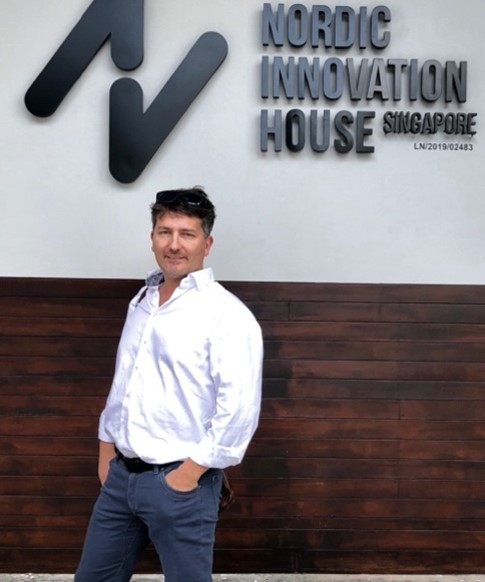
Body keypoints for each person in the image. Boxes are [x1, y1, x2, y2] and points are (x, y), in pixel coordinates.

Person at [75, 187, 263, 582]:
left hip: (180, 485)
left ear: (206, 244)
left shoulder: (226, 314)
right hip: (121, 480)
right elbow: (124, 381)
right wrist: (106, 449)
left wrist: (187, 476)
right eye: (165, 232)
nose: (174, 244)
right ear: (152, 238)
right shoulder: (143, 301)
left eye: (187, 234)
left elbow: (239, 410)